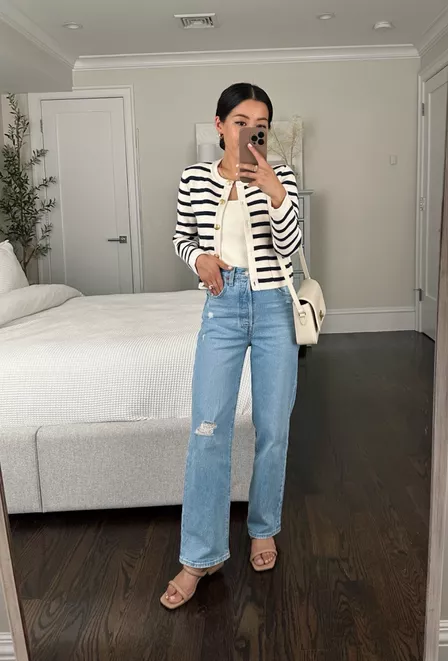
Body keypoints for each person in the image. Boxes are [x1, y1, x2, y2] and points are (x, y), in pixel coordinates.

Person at [161, 82, 301, 609]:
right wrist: (198, 259)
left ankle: (263, 529)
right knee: (207, 431)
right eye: (240, 122)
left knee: (273, 428)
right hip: (222, 307)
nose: (249, 131)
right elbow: (182, 236)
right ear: (220, 125)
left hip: (274, 308)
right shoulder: (194, 178)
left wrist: (275, 192)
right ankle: (201, 555)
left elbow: (290, 246)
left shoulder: (281, 176)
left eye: (259, 124)